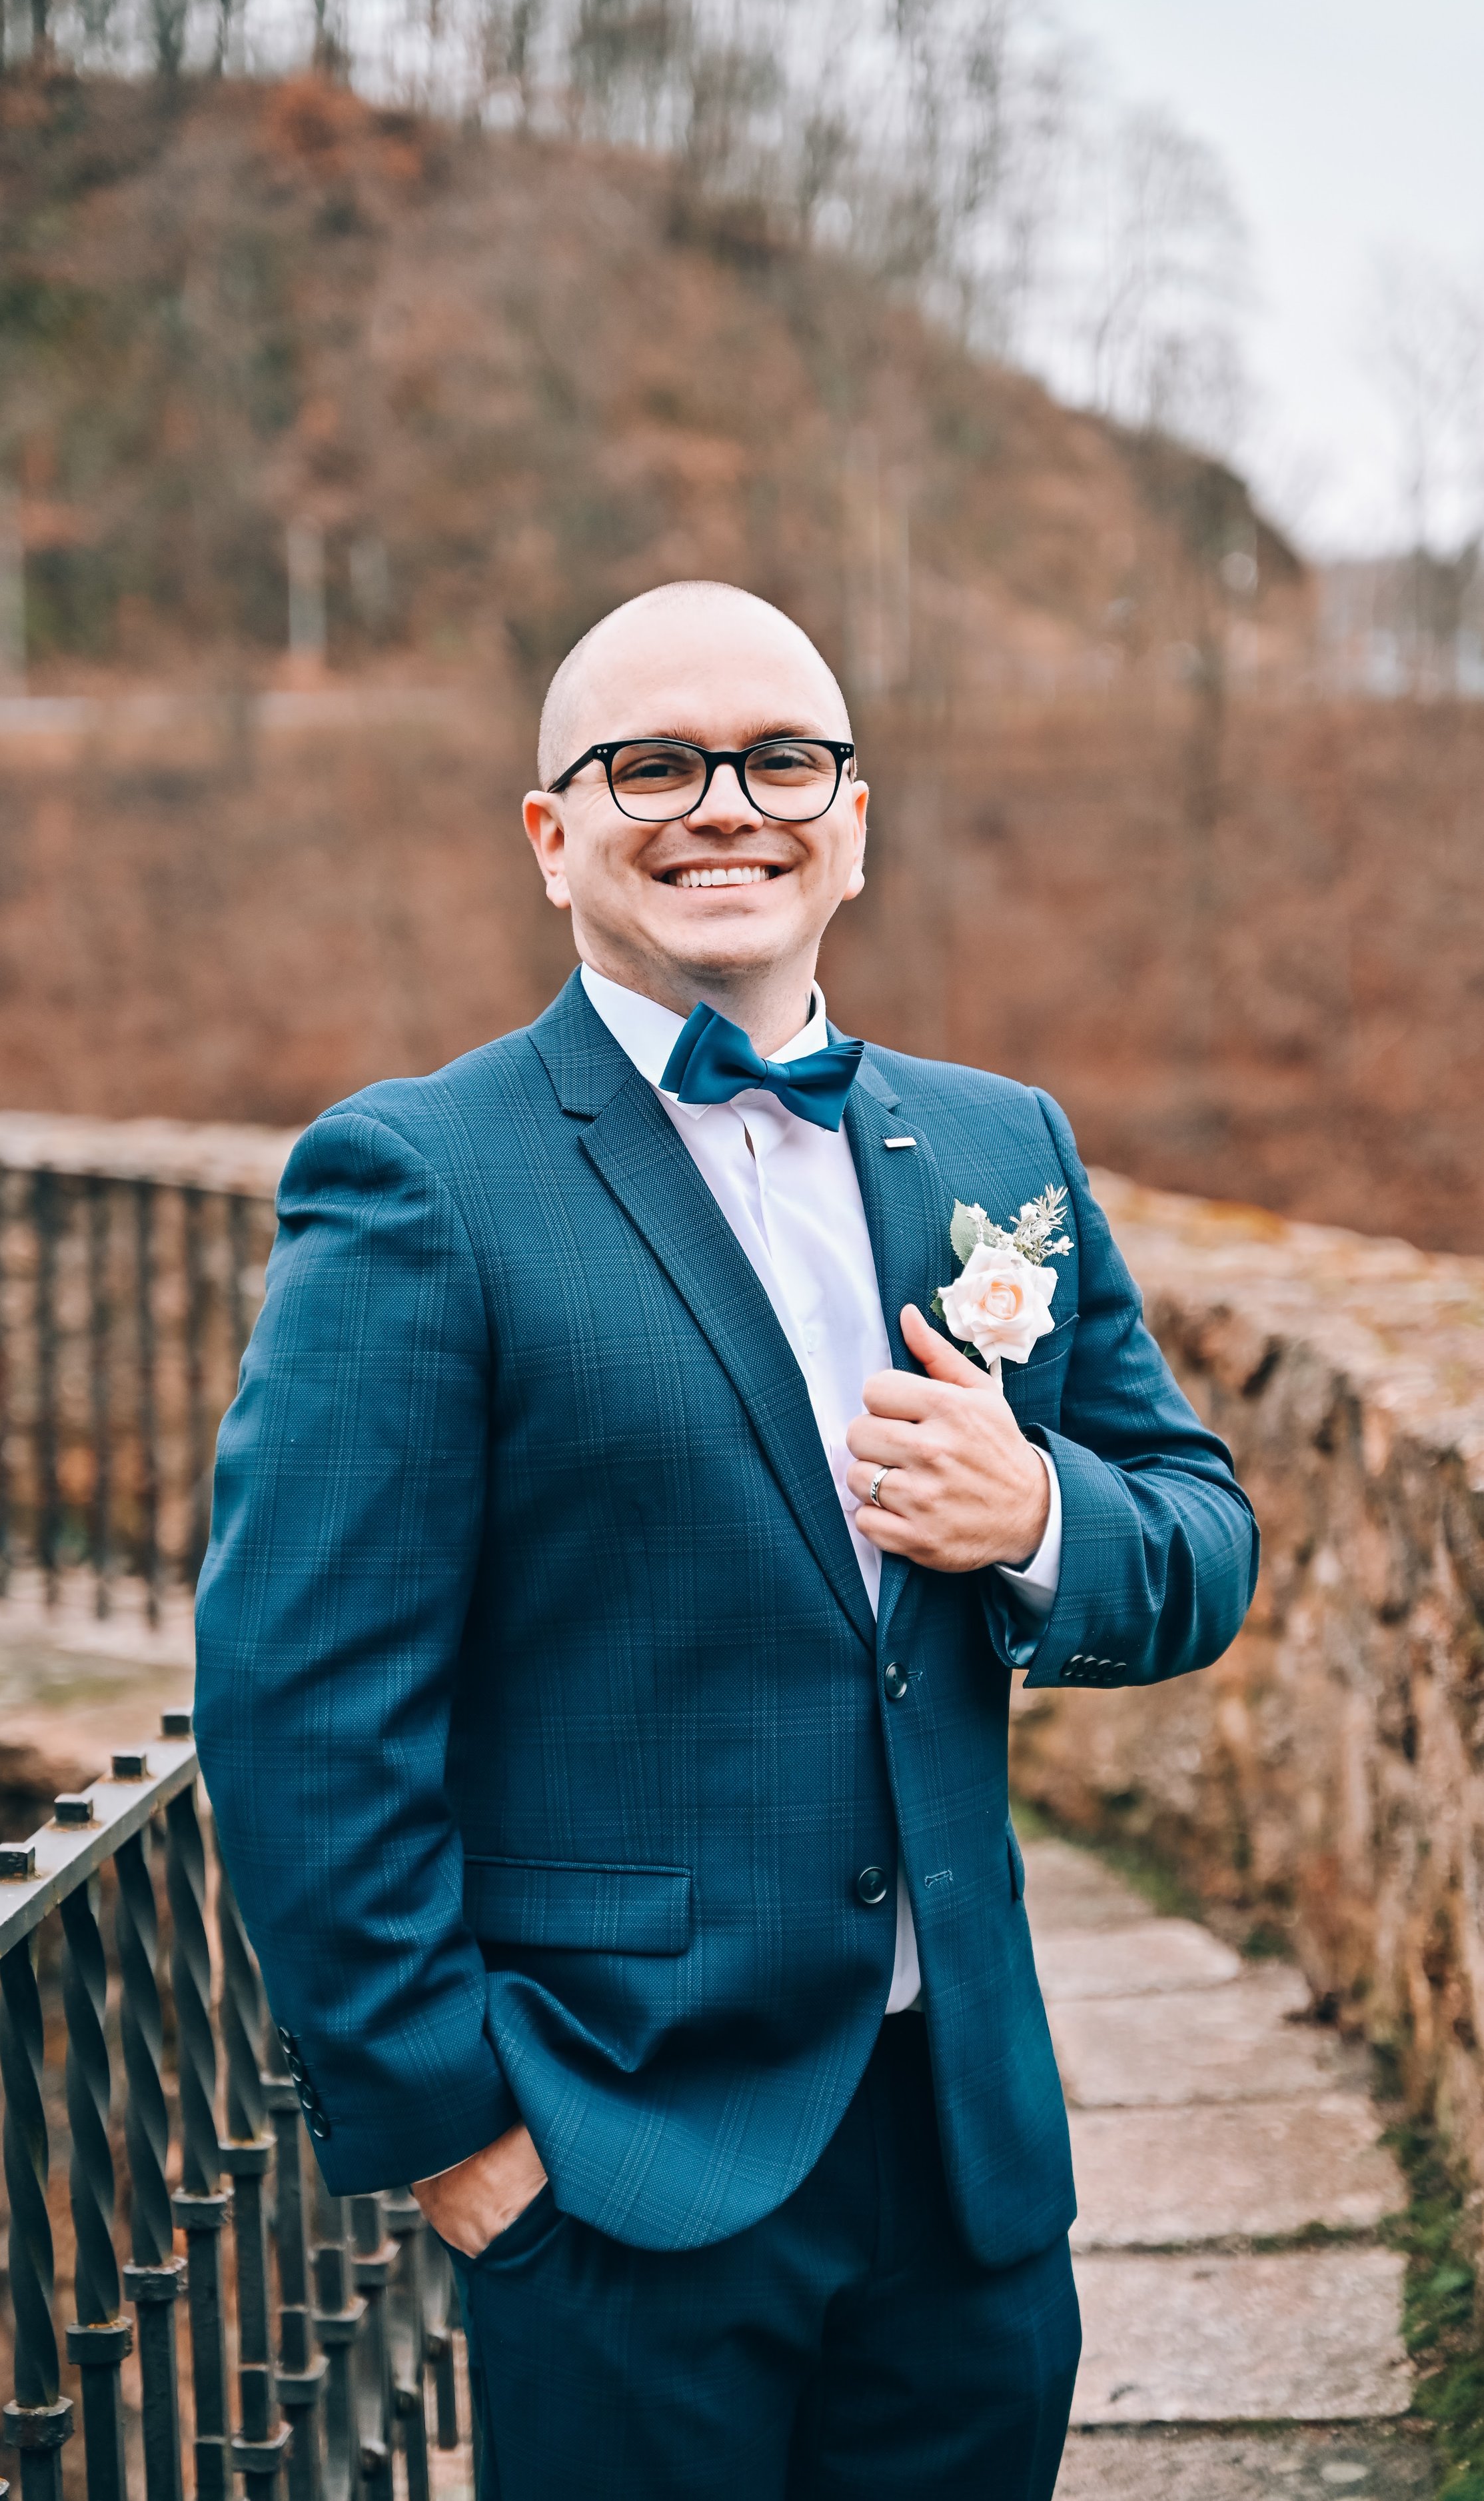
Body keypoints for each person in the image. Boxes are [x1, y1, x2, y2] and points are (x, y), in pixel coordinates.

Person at [195, 580, 1257, 2500]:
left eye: (781, 761)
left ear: (852, 823)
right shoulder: (418, 1178)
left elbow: (1201, 1535)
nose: (724, 808)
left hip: (969, 2159)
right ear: (553, 836)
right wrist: (457, 2138)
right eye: (653, 766)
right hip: (619, 2162)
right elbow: (301, 1699)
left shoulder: (1001, 1147)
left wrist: (1037, 1516)